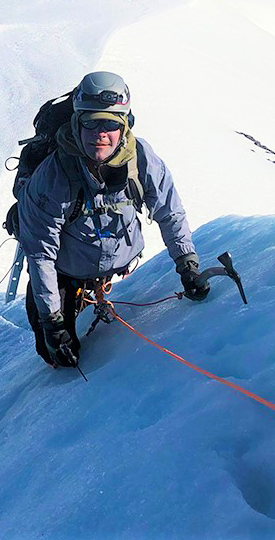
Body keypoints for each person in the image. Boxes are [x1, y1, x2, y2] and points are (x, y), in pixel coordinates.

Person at [17, 71, 210, 369]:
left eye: (110, 124)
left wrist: (188, 264)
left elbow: (169, 211)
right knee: (56, 354)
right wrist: (52, 321)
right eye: (90, 123)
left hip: (117, 262)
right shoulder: (53, 176)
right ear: (75, 123)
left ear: (125, 126)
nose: (100, 133)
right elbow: (41, 253)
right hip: (64, 270)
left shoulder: (140, 158)